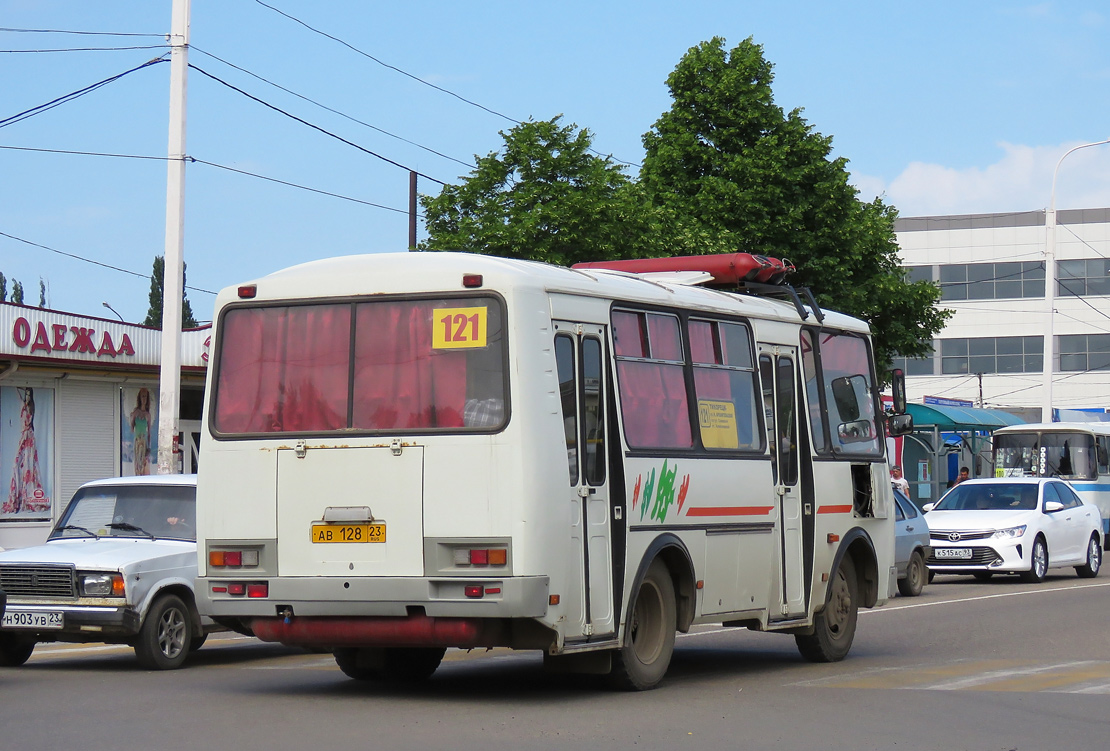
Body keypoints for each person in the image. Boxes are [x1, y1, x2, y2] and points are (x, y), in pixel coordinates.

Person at [129, 388, 152, 476]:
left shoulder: (148, 415)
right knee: (138, 462)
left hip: (144, 441)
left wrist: (148, 446)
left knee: (143, 462)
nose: (144, 399)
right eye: (142, 397)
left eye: (145, 397)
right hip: (137, 440)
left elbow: (149, 432)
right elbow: (132, 427)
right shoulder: (136, 412)